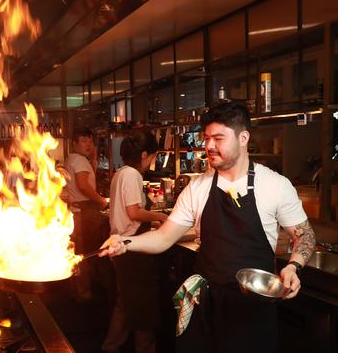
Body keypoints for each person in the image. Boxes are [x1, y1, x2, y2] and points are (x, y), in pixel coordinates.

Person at [100, 102, 316, 353]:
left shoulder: (275, 185)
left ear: (243, 137)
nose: (209, 146)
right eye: (206, 138)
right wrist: (124, 243)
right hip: (207, 306)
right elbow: (163, 237)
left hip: (253, 310)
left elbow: (305, 234)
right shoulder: (198, 188)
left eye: (218, 138)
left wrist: (293, 265)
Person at [101, 131, 168, 353]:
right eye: (152, 157)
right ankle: (143, 348)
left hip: (122, 246)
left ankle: (110, 347)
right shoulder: (132, 175)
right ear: (144, 154)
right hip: (132, 250)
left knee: (125, 303)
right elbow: (134, 212)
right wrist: (162, 217)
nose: (152, 162)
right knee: (142, 307)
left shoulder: (121, 173)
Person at [65, 127, 109, 301]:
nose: (88, 144)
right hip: (85, 213)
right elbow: (83, 185)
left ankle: (81, 290)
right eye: (84, 141)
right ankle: (86, 292)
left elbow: (86, 180)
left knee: (79, 251)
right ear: (74, 143)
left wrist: (93, 159)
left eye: (90, 141)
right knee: (88, 253)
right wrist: (101, 201)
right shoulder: (80, 161)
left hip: (76, 211)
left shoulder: (72, 158)